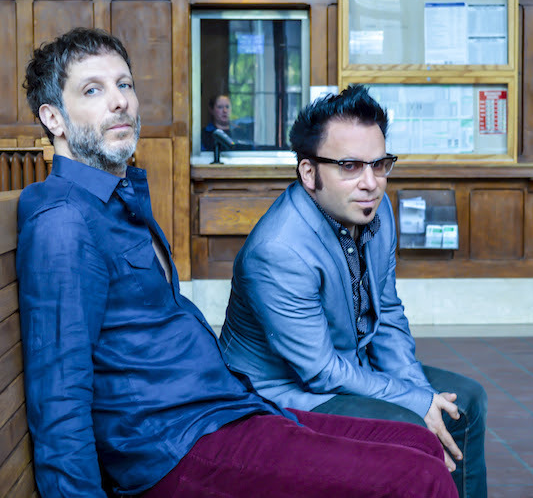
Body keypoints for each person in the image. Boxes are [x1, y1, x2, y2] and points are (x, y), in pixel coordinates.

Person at [17, 28, 458, 498]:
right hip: (174, 446)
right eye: (92, 90)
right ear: (53, 118)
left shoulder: (118, 204)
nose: (119, 101)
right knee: (419, 477)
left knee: (420, 444)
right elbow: (59, 396)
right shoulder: (62, 221)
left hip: (221, 409)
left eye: (124, 84)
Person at [220, 85, 488, 498]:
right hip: (284, 393)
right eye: (349, 166)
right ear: (309, 173)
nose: (371, 183)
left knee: (465, 403)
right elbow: (319, 372)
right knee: (411, 426)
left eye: (379, 164)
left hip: (352, 367)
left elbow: (388, 314)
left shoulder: (376, 210)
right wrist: (413, 402)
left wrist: (419, 391)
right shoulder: (278, 249)